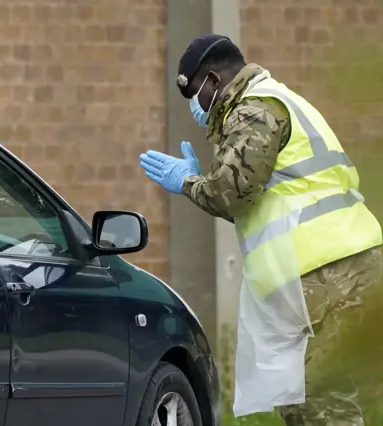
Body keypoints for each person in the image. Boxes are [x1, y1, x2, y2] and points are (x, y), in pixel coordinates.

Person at [139, 34, 383, 425]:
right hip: (334, 269)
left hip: (332, 273)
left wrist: (188, 183)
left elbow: (231, 194)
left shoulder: (254, 109)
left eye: (194, 95)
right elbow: (255, 197)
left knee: (318, 397)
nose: (194, 108)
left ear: (214, 82)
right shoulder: (279, 99)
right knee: (302, 397)